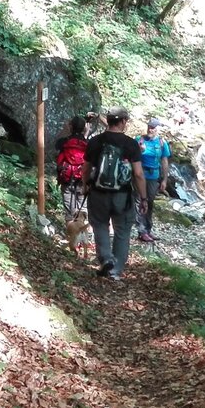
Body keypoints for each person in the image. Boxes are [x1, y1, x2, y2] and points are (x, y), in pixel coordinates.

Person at [81, 107, 147, 281]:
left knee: (100, 225)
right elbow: (138, 174)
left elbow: (86, 168)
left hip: (98, 193)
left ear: (108, 120)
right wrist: (144, 198)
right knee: (122, 231)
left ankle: (106, 258)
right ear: (123, 121)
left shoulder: (95, 141)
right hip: (122, 196)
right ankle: (115, 271)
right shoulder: (131, 144)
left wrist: (85, 185)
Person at [134, 118, 171, 244]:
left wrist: (164, 180)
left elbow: (164, 161)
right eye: (149, 127)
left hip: (154, 176)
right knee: (140, 201)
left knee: (150, 202)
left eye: (153, 127)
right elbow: (130, 157)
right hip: (140, 175)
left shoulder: (162, 143)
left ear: (158, 129)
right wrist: (139, 151)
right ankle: (142, 231)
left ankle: (148, 229)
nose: (150, 129)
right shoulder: (139, 140)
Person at [54, 115, 92, 223]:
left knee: (69, 212)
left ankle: (70, 230)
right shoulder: (88, 144)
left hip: (66, 179)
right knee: (82, 210)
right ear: (84, 128)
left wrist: (66, 131)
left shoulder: (63, 142)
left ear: (70, 126)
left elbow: (56, 146)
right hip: (82, 180)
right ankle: (81, 229)